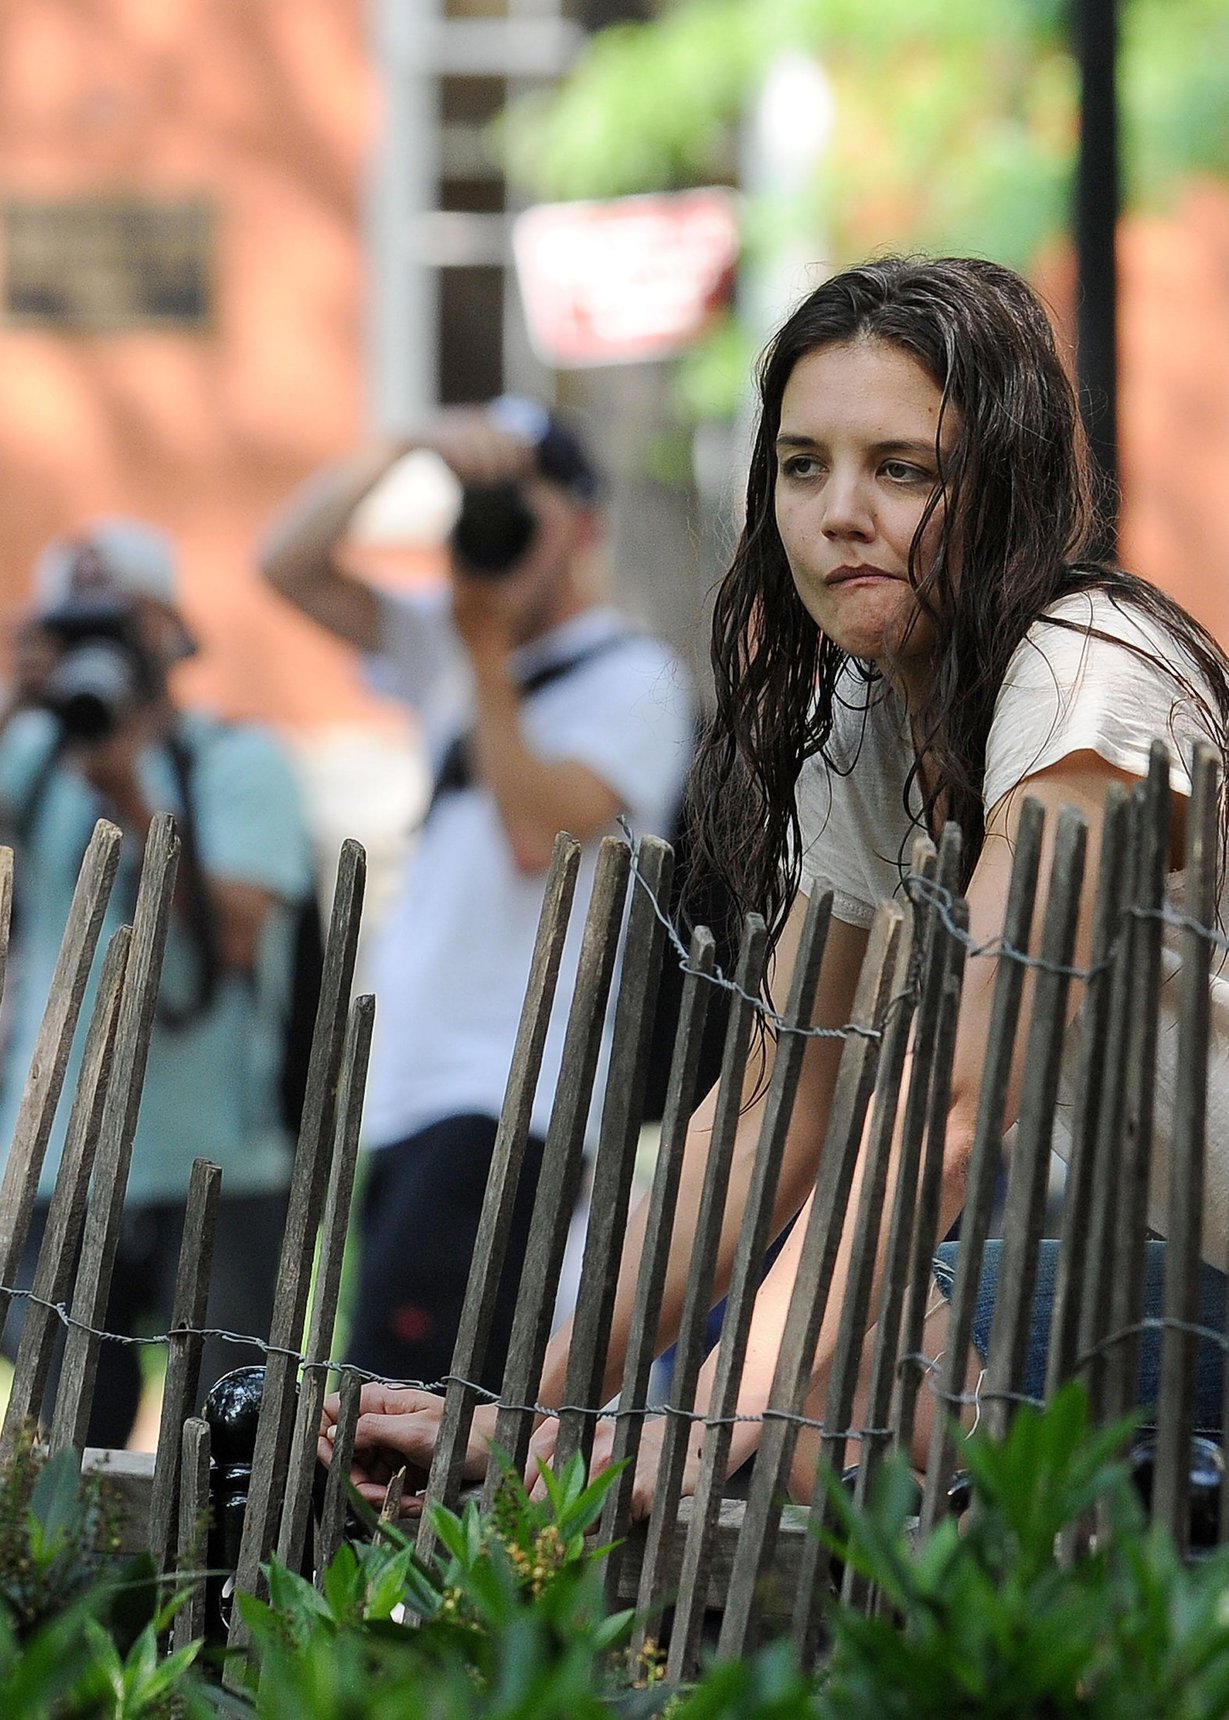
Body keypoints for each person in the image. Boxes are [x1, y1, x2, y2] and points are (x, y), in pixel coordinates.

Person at [318, 257, 1229, 1516]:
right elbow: (760, 1111)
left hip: (1197, 1286)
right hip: (1163, 1271)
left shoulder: (1087, 676)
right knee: (808, 1366)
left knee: (840, 1377)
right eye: (803, 466)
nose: (835, 514)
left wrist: (700, 1423)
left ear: (1004, 484)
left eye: (900, 469)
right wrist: (532, 1400)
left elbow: (948, 1106)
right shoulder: (871, 718)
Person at [260, 398, 695, 1393]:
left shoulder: (634, 678)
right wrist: (404, 445)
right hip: (415, 1090)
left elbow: (534, 831)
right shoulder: (453, 645)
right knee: (395, 1395)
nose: (491, 528)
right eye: (476, 505)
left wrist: (487, 654)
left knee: (412, 1407)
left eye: (519, 507)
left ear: (584, 525)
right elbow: (284, 564)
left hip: (516, 1094)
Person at [0, 518, 313, 1448]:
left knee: (222, 1449)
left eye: (120, 624)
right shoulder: (30, 769)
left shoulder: (236, 760)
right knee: (53, 1453)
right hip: (64, 1157)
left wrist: (135, 797)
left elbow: (241, 933)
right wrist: (17, 699)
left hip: (213, 1158)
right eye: (77, 629)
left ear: (172, 632)